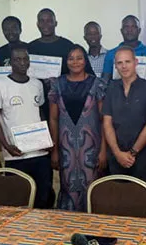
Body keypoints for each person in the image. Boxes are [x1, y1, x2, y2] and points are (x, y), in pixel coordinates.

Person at [0, 44, 53, 209]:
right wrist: (6, 145)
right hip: (16, 154)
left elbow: (41, 113)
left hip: (40, 152)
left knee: (43, 197)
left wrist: (47, 139)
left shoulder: (37, 84)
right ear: (11, 62)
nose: (22, 63)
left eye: (25, 59)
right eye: (18, 59)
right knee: (18, 199)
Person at [48, 45, 107, 212]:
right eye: (71, 58)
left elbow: (104, 120)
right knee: (68, 187)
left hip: (91, 148)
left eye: (79, 57)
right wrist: (54, 150)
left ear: (85, 60)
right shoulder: (57, 84)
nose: (75, 62)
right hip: (65, 148)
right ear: (66, 61)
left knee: (92, 187)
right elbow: (53, 119)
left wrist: (103, 150)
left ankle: (93, 230)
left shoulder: (97, 84)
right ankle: (69, 229)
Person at [102, 46, 146, 213]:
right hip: (115, 157)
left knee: (143, 203)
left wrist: (132, 153)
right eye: (119, 63)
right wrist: (118, 153)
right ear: (115, 66)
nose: (124, 66)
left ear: (136, 63)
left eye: (127, 61)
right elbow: (107, 122)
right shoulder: (111, 88)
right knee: (117, 203)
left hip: (140, 157)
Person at [102, 15, 146, 86]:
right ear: (121, 31)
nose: (129, 30)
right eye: (126, 27)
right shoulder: (111, 54)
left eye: (133, 27)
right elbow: (105, 82)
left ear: (139, 30)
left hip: (144, 95)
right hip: (117, 94)